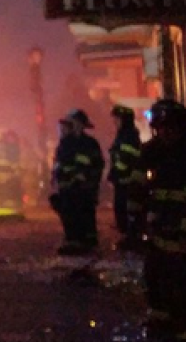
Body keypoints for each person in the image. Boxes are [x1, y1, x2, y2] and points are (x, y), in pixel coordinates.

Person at [140, 99, 186, 325]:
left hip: (183, 226)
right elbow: (140, 189)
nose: (165, 133)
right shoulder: (151, 152)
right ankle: (160, 316)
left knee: (181, 276)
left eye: (170, 128)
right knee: (155, 270)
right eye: (161, 128)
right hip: (159, 224)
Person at [50, 109, 103, 254]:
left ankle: (85, 243)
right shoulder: (66, 143)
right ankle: (74, 241)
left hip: (83, 188)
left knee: (84, 214)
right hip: (67, 187)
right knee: (69, 214)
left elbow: (96, 165)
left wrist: (89, 182)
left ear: (80, 124)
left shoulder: (89, 144)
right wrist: (55, 183)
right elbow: (59, 165)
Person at [108, 104, 146, 250]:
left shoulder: (128, 136)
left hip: (127, 181)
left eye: (117, 119)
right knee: (122, 209)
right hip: (122, 180)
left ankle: (132, 237)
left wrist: (118, 173)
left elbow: (127, 159)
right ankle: (128, 236)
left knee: (128, 209)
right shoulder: (124, 135)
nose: (115, 122)